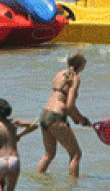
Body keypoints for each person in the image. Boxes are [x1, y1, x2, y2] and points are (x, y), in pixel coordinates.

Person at [35, 50, 91, 178]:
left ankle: (38, 181)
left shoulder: (59, 74)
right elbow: (69, 106)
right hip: (56, 117)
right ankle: (73, 186)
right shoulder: (76, 79)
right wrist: (81, 119)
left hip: (44, 114)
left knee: (49, 154)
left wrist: (76, 118)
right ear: (81, 65)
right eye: (85, 61)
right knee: (76, 154)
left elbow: (60, 99)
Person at [0, 97, 37, 191]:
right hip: (13, 159)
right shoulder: (14, 123)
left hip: (1, 160)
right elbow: (34, 125)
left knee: (1, 184)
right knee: (10, 189)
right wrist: (19, 135)